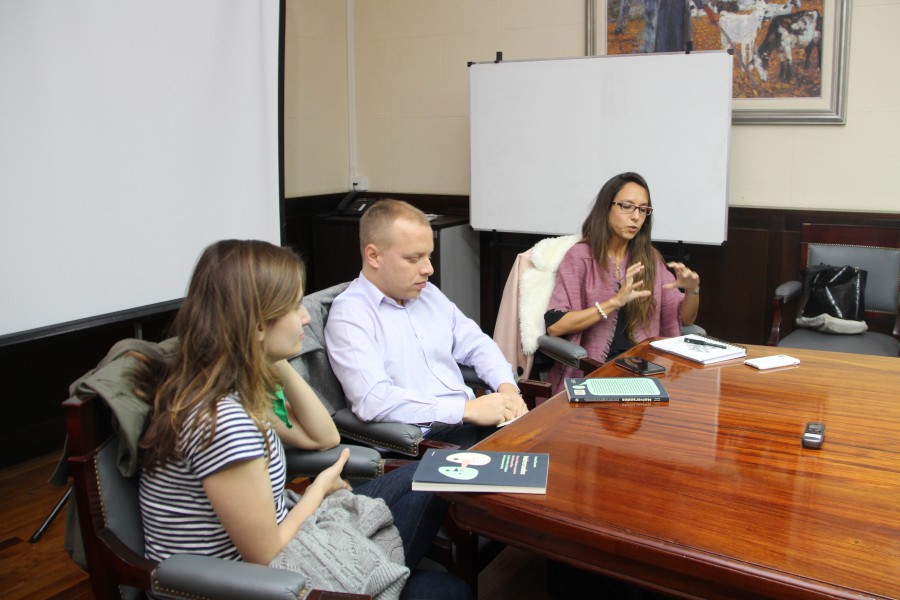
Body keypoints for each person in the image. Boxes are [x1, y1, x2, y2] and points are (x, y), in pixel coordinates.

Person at [135, 239, 470, 600]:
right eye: (295, 306)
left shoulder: (230, 385)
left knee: (439, 473)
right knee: (445, 591)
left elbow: (322, 437)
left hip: (287, 540)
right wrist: (318, 490)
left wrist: (271, 357)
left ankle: (384, 573)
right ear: (257, 324)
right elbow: (264, 553)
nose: (307, 317)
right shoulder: (223, 421)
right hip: (246, 583)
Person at [324, 200, 528, 449]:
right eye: (414, 258)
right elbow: (373, 399)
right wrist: (464, 409)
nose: (428, 269)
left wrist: (506, 388)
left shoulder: (428, 294)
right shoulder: (350, 315)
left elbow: (476, 344)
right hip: (423, 443)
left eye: (428, 256)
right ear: (374, 256)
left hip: (470, 424)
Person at [544, 172, 700, 394]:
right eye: (627, 206)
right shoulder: (580, 257)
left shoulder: (649, 258)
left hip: (644, 368)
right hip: (594, 371)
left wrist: (692, 291)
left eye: (643, 209)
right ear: (606, 208)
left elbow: (685, 319)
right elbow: (556, 326)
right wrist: (615, 301)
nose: (636, 216)